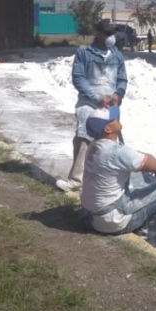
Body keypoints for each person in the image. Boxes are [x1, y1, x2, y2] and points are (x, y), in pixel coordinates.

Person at [80, 106, 156, 235]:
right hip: (109, 222)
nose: (117, 118)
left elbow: (130, 155)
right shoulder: (118, 153)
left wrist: (149, 157)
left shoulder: (95, 146)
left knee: (138, 174)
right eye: (113, 118)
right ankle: (145, 235)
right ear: (107, 128)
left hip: (88, 216)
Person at [56, 18, 128, 193]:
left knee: (109, 142)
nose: (112, 36)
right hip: (89, 103)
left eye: (113, 32)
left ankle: (107, 182)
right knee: (84, 138)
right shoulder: (84, 52)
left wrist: (118, 94)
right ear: (98, 33)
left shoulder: (117, 54)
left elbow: (122, 78)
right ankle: (76, 180)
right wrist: (97, 97)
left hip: (110, 105)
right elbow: (78, 78)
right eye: (108, 33)